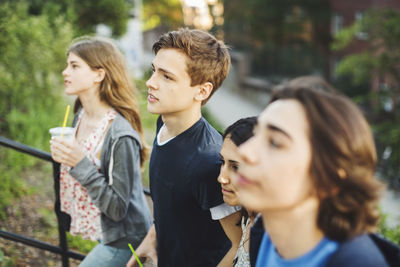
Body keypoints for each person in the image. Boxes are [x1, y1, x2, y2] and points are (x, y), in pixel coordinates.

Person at [234, 85, 391, 266]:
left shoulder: (357, 262)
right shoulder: (263, 237)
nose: (245, 151)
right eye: (255, 134)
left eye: (275, 143)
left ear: (329, 179)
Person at [127, 28, 238, 267]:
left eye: (167, 77)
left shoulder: (210, 163)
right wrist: (152, 238)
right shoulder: (163, 124)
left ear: (202, 90)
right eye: (154, 71)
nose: (150, 83)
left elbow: (238, 245)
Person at [49, 36, 152, 266]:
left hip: (126, 238)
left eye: (74, 66)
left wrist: (79, 163)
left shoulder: (120, 135)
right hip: (105, 232)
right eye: (68, 65)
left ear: (99, 74)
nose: (65, 72)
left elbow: (117, 209)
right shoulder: (80, 116)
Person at [217, 117, 258, 267]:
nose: (221, 178)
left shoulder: (275, 240)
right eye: (222, 162)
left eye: (236, 167)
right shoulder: (247, 218)